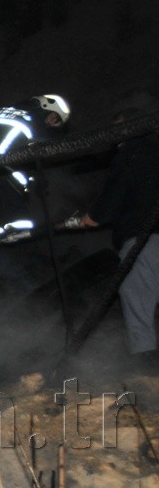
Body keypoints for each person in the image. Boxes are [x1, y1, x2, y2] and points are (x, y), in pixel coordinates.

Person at [78, 110, 159, 363]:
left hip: (144, 242)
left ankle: (147, 374)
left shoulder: (131, 154)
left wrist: (91, 217)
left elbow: (109, 204)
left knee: (138, 308)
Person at [0, 93, 71, 241]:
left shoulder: (4, 111)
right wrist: (39, 180)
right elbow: (35, 154)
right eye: (55, 117)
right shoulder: (34, 122)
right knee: (16, 191)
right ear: (46, 107)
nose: (52, 123)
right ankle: (19, 229)